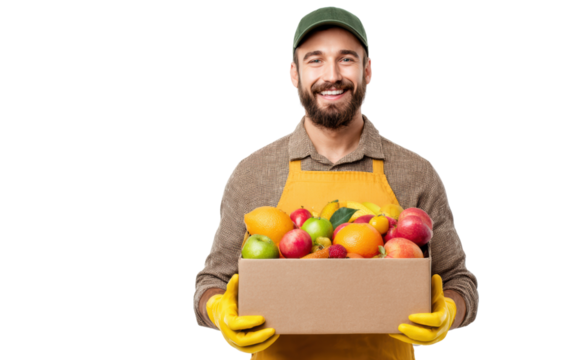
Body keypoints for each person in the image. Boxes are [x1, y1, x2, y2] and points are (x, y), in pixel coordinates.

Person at [194, 5, 478, 359]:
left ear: (367, 70)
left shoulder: (415, 171)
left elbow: (459, 282)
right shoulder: (253, 172)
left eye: (346, 59)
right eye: (315, 60)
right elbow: (211, 283)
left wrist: (449, 312)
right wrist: (221, 314)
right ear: (294, 74)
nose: (332, 75)